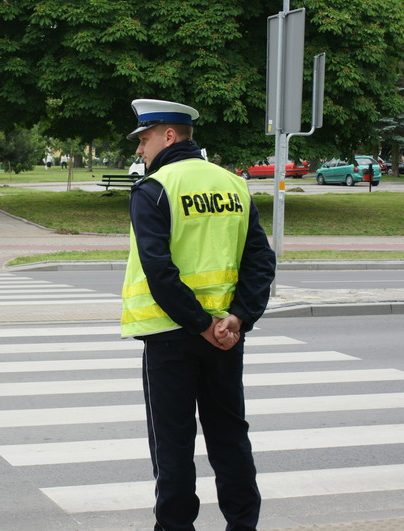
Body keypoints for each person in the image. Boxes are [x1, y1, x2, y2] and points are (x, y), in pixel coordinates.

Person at [122, 99, 276, 531]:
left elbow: (159, 269)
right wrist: (238, 318)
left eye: (144, 139)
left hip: (172, 335)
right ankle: (243, 526)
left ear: (168, 136)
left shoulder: (154, 188)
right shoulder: (235, 185)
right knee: (230, 439)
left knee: (173, 447)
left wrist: (199, 324)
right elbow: (261, 261)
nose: (140, 151)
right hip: (226, 337)